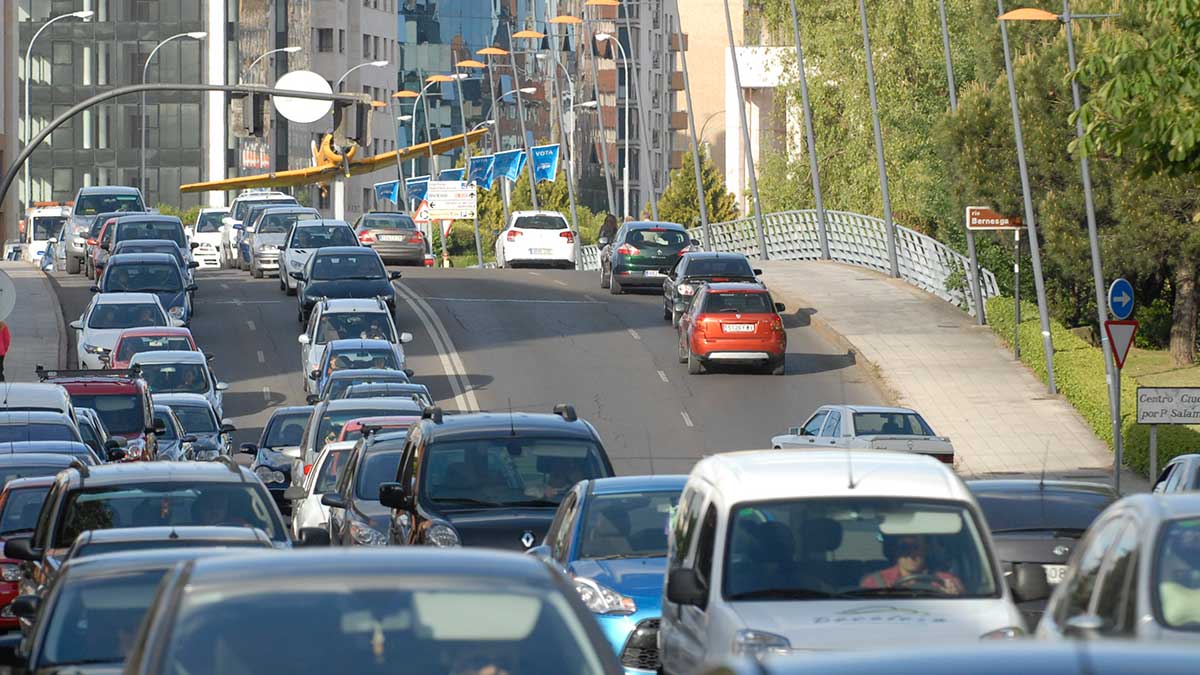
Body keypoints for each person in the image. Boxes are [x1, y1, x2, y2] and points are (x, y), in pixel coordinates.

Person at [860, 534, 964, 594]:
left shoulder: (947, 581)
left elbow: (965, 610)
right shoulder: (875, 582)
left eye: (916, 547)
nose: (911, 554)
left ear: (925, 549)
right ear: (896, 550)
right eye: (905, 548)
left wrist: (955, 596)